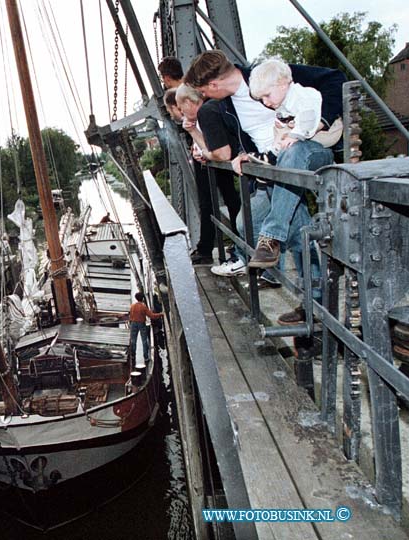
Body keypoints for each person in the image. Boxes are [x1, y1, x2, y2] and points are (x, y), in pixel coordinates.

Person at [184, 50, 344, 273]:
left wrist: (322, 122)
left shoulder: (267, 77)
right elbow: (247, 139)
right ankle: (305, 290)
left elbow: (335, 78)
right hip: (272, 168)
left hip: (310, 151)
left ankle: (272, 237)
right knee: (251, 224)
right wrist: (244, 155)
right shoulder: (226, 106)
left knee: (293, 154)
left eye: (203, 92)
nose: (204, 98)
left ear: (213, 85)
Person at [176, 84, 241, 265]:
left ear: (189, 102)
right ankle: (236, 245)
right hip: (216, 164)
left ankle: (235, 247)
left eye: (181, 107)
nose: (180, 112)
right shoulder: (206, 112)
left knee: (222, 202)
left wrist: (204, 152)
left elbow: (216, 149)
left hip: (223, 164)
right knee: (228, 200)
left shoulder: (207, 111)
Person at [128, 292, 164, 365]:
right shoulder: (143, 307)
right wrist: (161, 314)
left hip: (133, 324)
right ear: (143, 298)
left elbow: (130, 315)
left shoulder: (132, 306)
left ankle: (133, 355)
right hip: (141, 324)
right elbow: (152, 316)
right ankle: (146, 357)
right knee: (144, 340)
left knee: (133, 340)